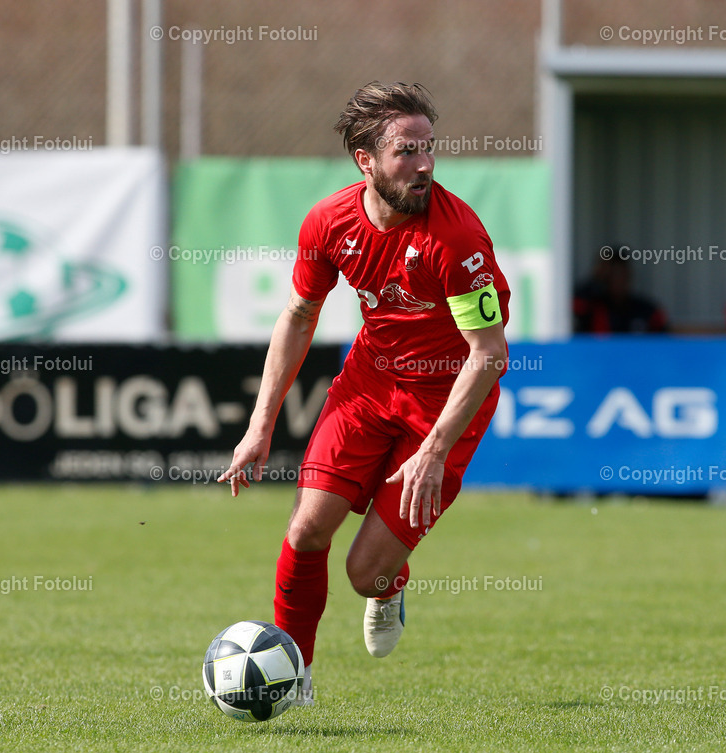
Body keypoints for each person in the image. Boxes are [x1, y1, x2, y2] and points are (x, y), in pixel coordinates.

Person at [218, 82, 510, 706]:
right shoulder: (329, 222)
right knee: (305, 531)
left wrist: (433, 450)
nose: (425, 164)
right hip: (371, 381)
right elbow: (299, 316)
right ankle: (293, 679)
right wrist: (259, 426)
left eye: (430, 148)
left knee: (362, 572)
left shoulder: (456, 239)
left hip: (448, 398)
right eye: (407, 150)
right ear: (366, 161)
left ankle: (388, 585)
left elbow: (488, 355)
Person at [572, 252, 668, 333]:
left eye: (621, 273)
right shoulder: (592, 306)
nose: (618, 279)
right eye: (612, 274)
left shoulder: (646, 310)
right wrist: (595, 279)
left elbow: (666, 337)